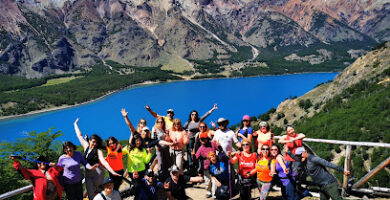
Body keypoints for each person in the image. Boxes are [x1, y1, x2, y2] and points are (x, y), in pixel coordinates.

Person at [74, 118, 120, 199]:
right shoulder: (86, 146)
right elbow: (79, 136)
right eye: (93, 141)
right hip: (88, 174)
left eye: (96, 142)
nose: (94, 144)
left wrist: (112, 172)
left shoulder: (98, 151)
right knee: (91, 194)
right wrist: (75, 124)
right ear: (90, 141)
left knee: (100, 193)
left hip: (98, 173)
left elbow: (104, 162)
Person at [184, 104, 218, 168]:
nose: (194, 115)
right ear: (190, 115)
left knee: (199, 150)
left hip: (199, 138)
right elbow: (182, 129)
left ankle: (199, 164)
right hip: (190, 138)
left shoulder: (199, 121)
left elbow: (206, 115)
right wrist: (186, 133)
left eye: (195, 114)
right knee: (190, 150)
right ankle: (191, 164)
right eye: (192, 114)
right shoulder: (188, 122)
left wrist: (213, 109)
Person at [195, 132, 220, 198]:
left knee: (214, 180)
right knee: (208, 181)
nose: (203, 140)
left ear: (207, 139)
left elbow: (219, 150)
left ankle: (215, 193)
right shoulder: (200, 148)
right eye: (201, 139)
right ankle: (208, 191)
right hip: (206, 167)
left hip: (214, 165)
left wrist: (219, 146)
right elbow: (196, 156)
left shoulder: (212, 144)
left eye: (204, 139)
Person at [152, 116, 172, 181]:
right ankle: (161, 178)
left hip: (166, 148)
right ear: (156, 122)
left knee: (166, 163)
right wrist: (157, 147)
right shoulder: (154, 129)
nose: (160, 123)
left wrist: (167, 134)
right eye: (159, 122)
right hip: (159, 149)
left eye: (162, 122)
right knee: (160, 163)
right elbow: (153, 140)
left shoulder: (164, 129)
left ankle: (166, 177)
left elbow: (168, 138)